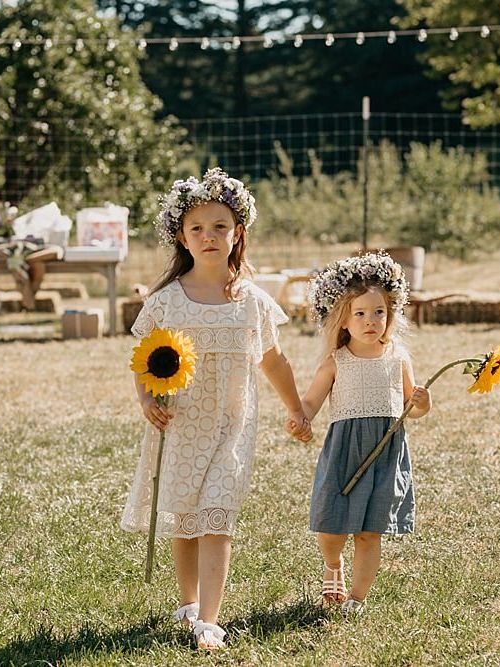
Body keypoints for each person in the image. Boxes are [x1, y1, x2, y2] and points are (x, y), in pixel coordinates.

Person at [121, 168, 311, 650]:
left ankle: (210, 618)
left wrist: (297, 409)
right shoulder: (166, 302)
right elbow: (143, 360)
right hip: (180, 424)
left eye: (220, 226)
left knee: (216, 514)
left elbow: (272, 360)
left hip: (232, 426)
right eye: (197, 228)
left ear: (238, 232)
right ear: (182, 237)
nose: (209, 236)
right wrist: (147, 399)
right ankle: (188, 605)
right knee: (184, 517)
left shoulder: (253, 303)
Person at [286, 252, 431, 616]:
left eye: (378, 312)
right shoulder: (337, 361)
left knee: (370, 531)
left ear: (390, 315)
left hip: (385, 453)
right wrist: (299, 418)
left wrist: (422, 401)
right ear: (344, 320)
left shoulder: (398, 358)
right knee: (332, 526)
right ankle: (332, 563)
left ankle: (357, 598)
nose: (371, 321)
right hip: (345, 452)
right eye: (361, 314)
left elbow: (413, 408)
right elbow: (311, 401)